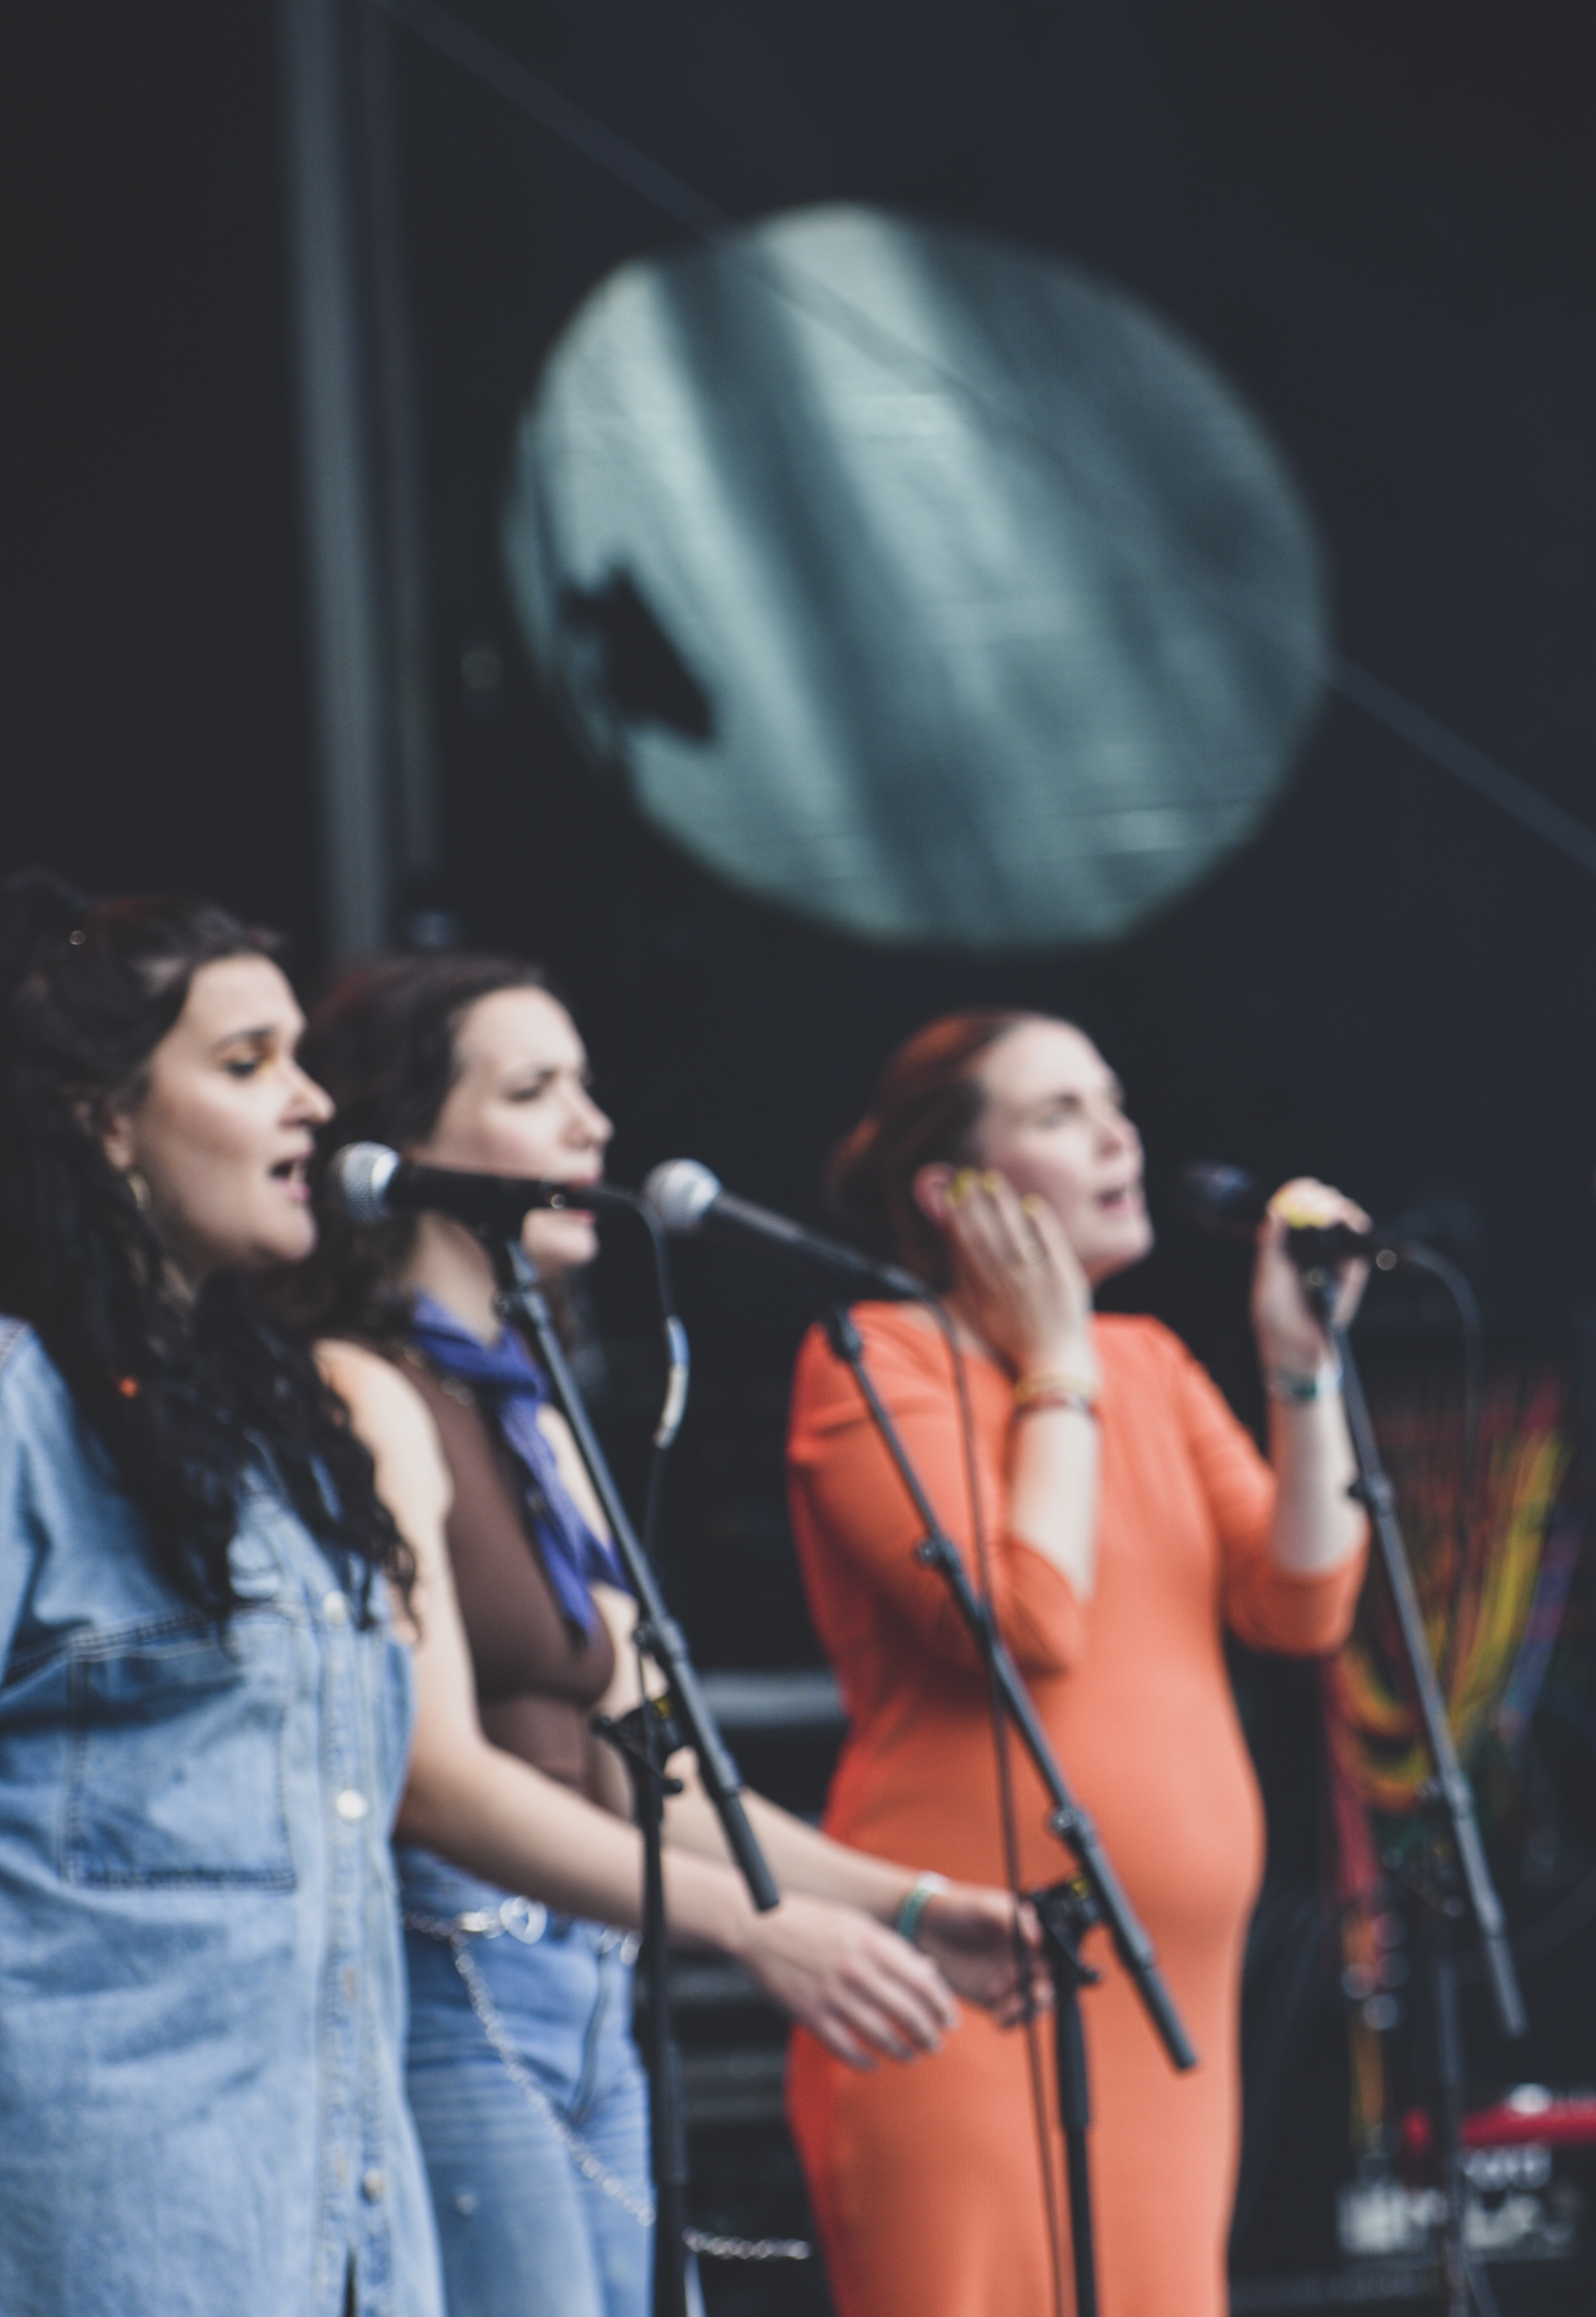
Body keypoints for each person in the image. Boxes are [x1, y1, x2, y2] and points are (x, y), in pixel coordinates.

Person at [282, 950, 1033, 2317]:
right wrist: (750, 1933)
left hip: (584, 1995)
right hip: (462, 2001)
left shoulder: (531, 1409)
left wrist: (902, 1906)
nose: (592, 1124)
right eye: (534, 1088)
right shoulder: (366, 1392)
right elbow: (432, 1773)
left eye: (584, 1082)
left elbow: (655, 1766)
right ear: (407, 1146)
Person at [786, 1009, 1372, 2316]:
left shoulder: (1150, 1366)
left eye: (1112, 1102)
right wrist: (1053, 1367)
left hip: (1167, 2013)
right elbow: (1025, 1619)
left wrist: (1300, 1365)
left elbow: (1307, 1601)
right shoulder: (875, 1363)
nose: (1119, 1136)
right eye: (1059, 1114)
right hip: (965, 2006)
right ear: (954, 1194)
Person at [0, 877, 441, 2316]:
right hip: (122, 2246)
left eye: (302, 1059)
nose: (311, 1103)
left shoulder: (274, 1431)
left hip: (339, 2229)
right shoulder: (18, 1411)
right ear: (103, 1117)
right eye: (247, 1064)